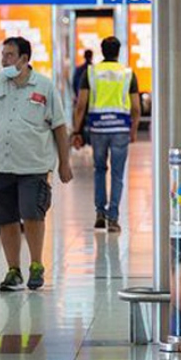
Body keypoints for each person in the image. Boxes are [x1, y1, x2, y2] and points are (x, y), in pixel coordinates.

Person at [0, 36, 73, 292]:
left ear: (24, 59)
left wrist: (64, 163)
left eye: (10, 55)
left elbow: (59, 126)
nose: (4, 60)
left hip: (33, 166)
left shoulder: (44, 86)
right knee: (5, 218)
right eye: (2, 54)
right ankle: (13, 270)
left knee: (32, 214)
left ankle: (36, 264)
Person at [72, 37, 141, 233]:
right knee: (118, 174)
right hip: (120, 128)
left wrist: (76, 131)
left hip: (98, 128)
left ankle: (100, 213)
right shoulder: (128, 74)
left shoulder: (91, 73)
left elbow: (81, 105)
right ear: (118, 52)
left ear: (102, 51)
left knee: (99, 170)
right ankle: (113, 218)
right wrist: (134, 130)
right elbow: (136, 108)